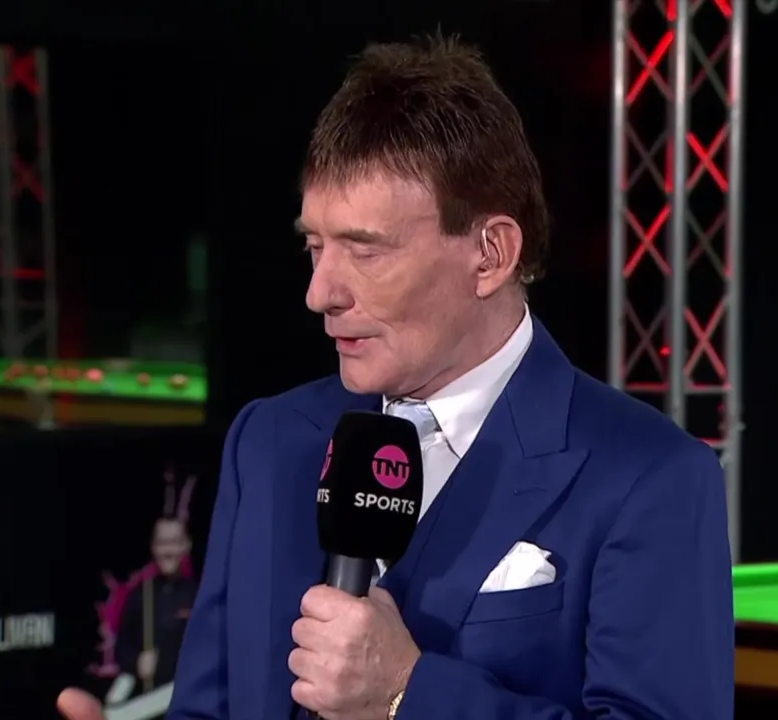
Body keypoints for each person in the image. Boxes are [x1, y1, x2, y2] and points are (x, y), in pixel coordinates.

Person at [58, 35, 733, 720]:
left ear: (490, 254)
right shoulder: (269, 442)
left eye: (366, 251)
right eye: (315, 246)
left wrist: (407, 693)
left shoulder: (649, 477)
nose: (320, 293)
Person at [113, 517, 199, 692]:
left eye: (175, 542)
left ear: (186, 546)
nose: (168, 551)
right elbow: (121, 648)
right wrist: (136, 662)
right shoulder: (140, 595)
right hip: (150, 698)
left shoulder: (200, 596)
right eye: (162, 543)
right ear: (153, 547)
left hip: (188, 696)